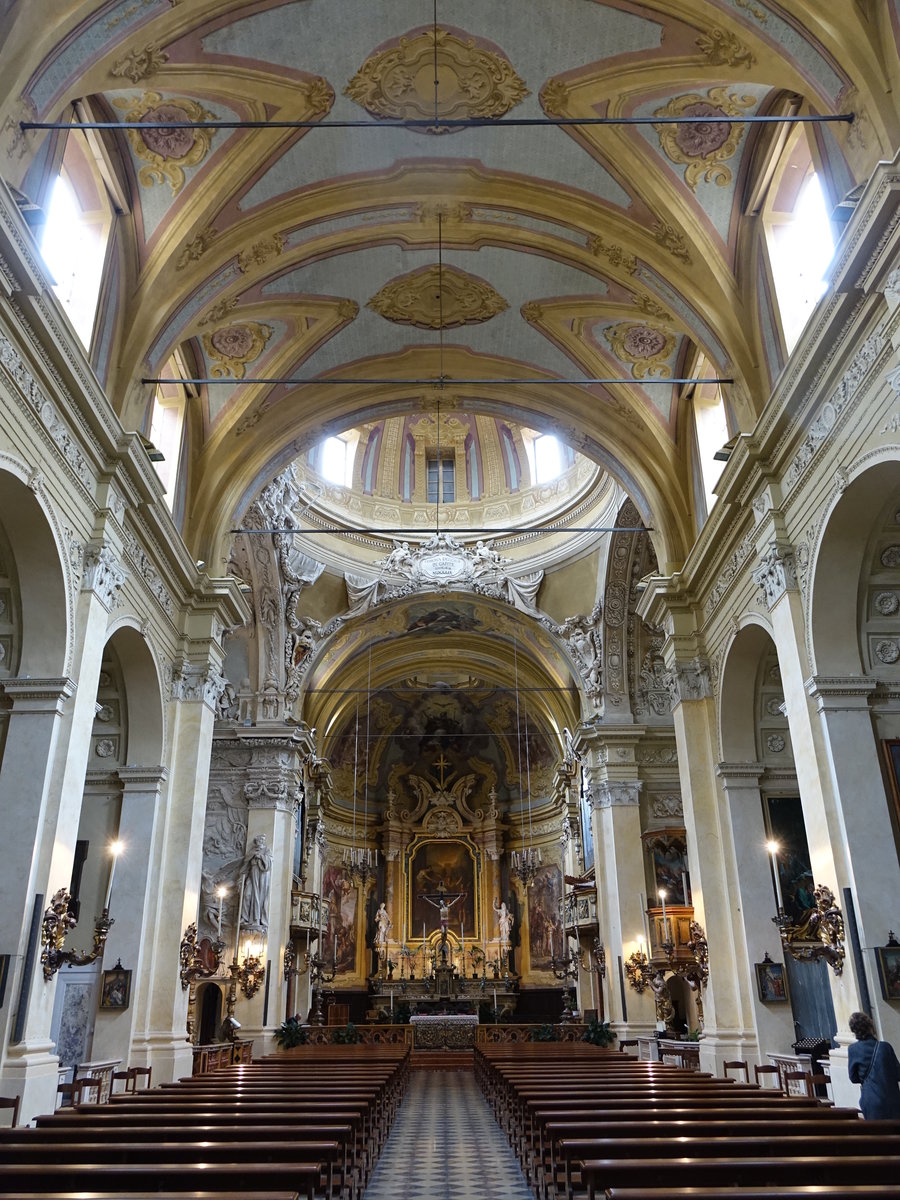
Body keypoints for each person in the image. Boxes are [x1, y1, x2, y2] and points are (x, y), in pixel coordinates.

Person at [848, 1010, 900, 1118]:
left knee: (875, 1133)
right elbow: (898, 1074)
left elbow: (853, 1078)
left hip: (870, 1101)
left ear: (854, 1031)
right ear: (870, 1027)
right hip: (892, 1101)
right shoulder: (885, 1047)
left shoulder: (853, 1049)